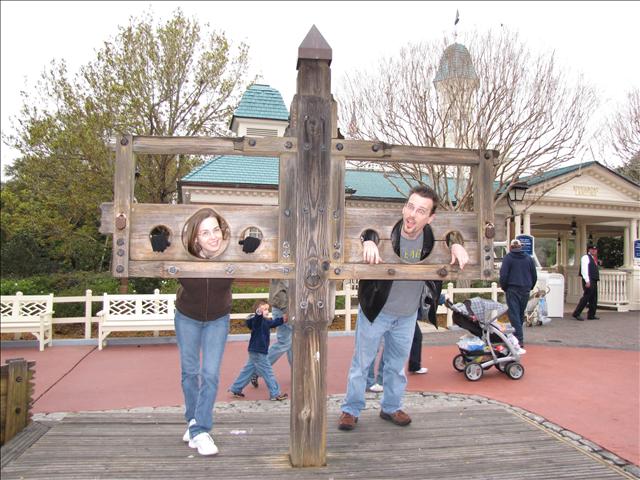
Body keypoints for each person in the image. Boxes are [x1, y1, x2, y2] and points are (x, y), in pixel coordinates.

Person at [338, 185, 469, 431]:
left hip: (407, 315)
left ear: (430, 218)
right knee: (362, 364)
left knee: (396, 366)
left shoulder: (433, 238)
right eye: (410, 206)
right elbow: (367, 232)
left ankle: (390, 407)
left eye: (421, 211)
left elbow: (451, 237)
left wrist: (456, 245)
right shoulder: (389, 231)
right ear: (403, 207)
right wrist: (367, 241)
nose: (412, 215)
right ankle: (350, 409)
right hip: (375, 311)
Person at [176, 208, 259, 456]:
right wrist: (159, 242)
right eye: (204, 232)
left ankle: (201, 429)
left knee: (210, 374)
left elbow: (257, 255)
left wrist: (251, 248)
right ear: (194, 239)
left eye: (216, 230)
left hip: (218, 319)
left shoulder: (233, 251)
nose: (213, 237)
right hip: (187, 317)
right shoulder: (182, 255)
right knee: (190, 372)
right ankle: (193, 421)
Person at [228, 300, 289, 401]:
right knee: (268, 372)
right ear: (258, 310)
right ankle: (275, 394)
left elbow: (273, 323)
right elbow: (256, 321)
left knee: (248, 371)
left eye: (267, 309)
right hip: (259, 351)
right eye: (264, 309)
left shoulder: (266, 321)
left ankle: (236, 388)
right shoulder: (256, 321)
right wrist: (258, 313)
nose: (267, 311)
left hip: (255, 351)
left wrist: (282, 319)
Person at [249, 279, 291, 389]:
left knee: (292, 343)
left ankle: (298, 374)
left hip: (287, 307)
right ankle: (257, 371)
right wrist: (287, 310)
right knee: (285, 343)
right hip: (286, 308)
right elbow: (278, 291)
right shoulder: (283, 268)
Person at [499, 238, 537, 353]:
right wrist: (530, 286)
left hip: (512, 288)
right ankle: (516, 337)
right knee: (520, 314)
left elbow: (503, 275)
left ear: (511, 247)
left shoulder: (508, 258)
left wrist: (505, 287)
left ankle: (519, 339)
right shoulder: (529, 259)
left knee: (514, 314)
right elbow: (534, 275)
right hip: (525, 289)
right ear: (521, 247)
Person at [572, 244, 600, 321]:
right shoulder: (585, 257)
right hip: (588, 279)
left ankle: (591, 314)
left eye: (595, 249)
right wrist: (587, 280)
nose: (594, 250)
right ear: (589, 250)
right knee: (586, 297)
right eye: (592, 249)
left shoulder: (594, 259)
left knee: (594, 298)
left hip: (594, 279)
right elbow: (584, 270)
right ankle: (576, 313)